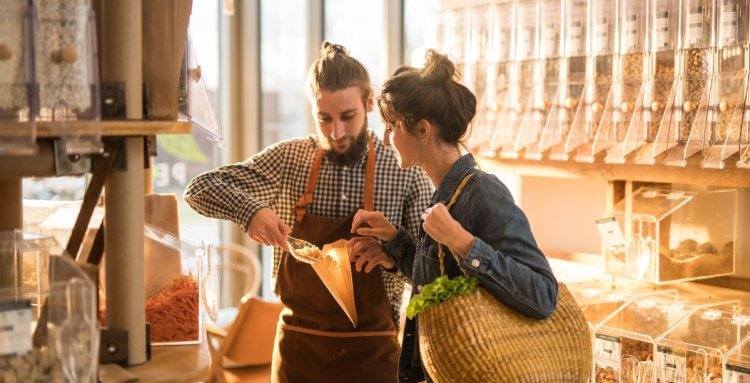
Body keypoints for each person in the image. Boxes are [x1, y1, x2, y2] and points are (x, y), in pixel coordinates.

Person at [184, 42, 432, 383]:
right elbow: (198, 189)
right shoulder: (290, 159)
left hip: (373, 355)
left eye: (348, 117)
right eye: (324, 118)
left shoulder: (404, 168)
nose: (336, 132)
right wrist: (251, 211)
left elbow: (431, 269)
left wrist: (392, 256)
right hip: (298, 354)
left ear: (369, 103)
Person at [348, 50, 559, 383]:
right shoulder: (443, 194)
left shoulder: (483, 192)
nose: (387, 139)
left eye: (391, 128)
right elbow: (441, 280)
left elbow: (543, 294)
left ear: (421, 130)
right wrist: (394, 241)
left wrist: (462, 241)